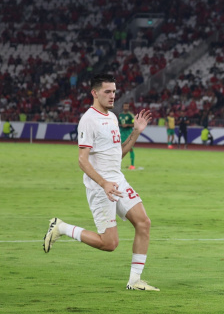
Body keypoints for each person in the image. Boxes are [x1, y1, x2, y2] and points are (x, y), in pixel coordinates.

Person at [42, 74, 158, 291]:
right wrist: (104, 183)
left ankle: (134, 280)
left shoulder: (112, 117)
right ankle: (61, 227)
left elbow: (119, 153)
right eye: (108, 91)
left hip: (118, 181)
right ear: (94, 93)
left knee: (144, 223)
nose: (113, 95)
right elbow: (82, 160)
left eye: (114, 91)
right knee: (109, 243)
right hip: (100, 186)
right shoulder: (89, 120)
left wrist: (136, 132)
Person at [118, 102, 136, 170]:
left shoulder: (131, 115)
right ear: (123, 107)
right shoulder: (120, 115)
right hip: (121, 133)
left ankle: (132, 165)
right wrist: (121, 125)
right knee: (120, 149)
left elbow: (134, 124)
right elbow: (119, 123)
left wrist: (127, 125)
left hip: (128, 133)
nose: (126, 107)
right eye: (125, 106)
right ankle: (117, 164)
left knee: (130, 148)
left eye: (127, 106)